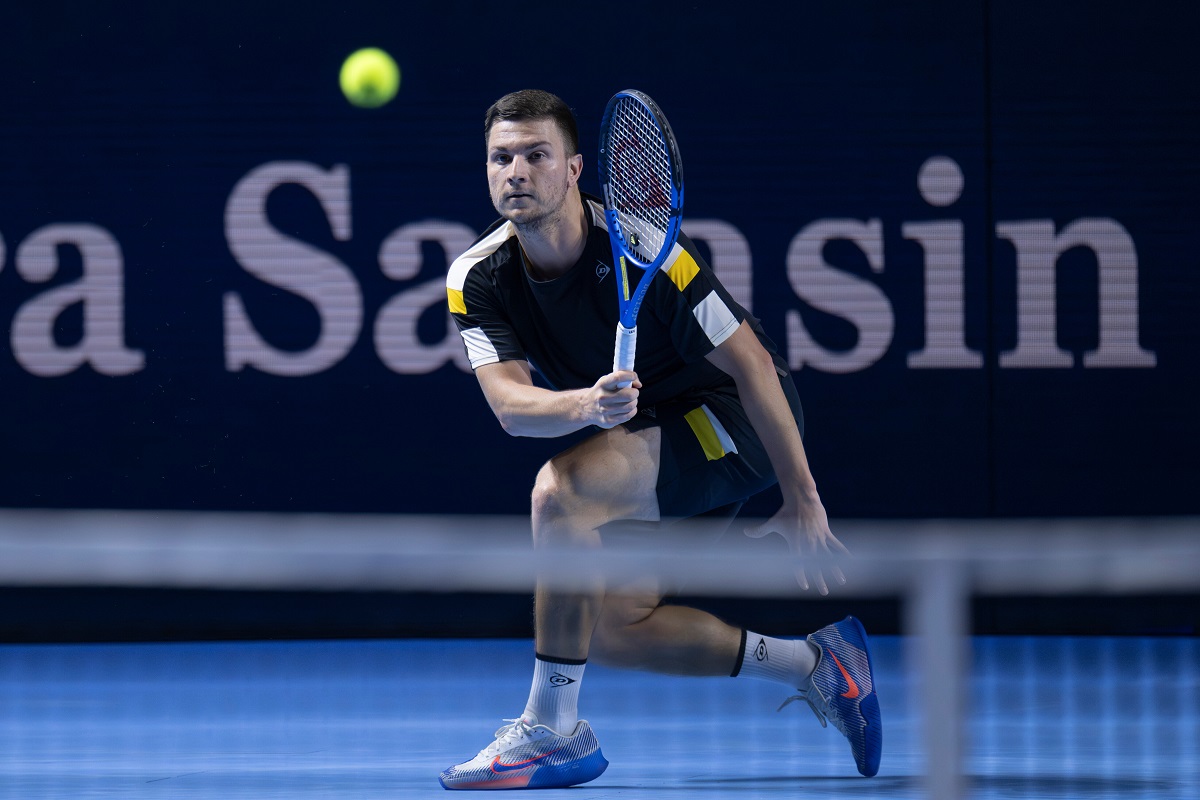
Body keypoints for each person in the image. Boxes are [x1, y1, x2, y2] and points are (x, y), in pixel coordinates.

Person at [439, 89, 881, 790]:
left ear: (576, 168)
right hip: (649, 432)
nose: (516, 171)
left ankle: (550, 727)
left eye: (535, 155)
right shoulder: (477, 277)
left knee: (561, 493)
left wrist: (803, 498)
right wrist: (585, 403)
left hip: (736, 418)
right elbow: (510, 407)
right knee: (614, 625)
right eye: (501, 158)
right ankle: (821, 666)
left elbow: (754, 366)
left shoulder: (644, 248)